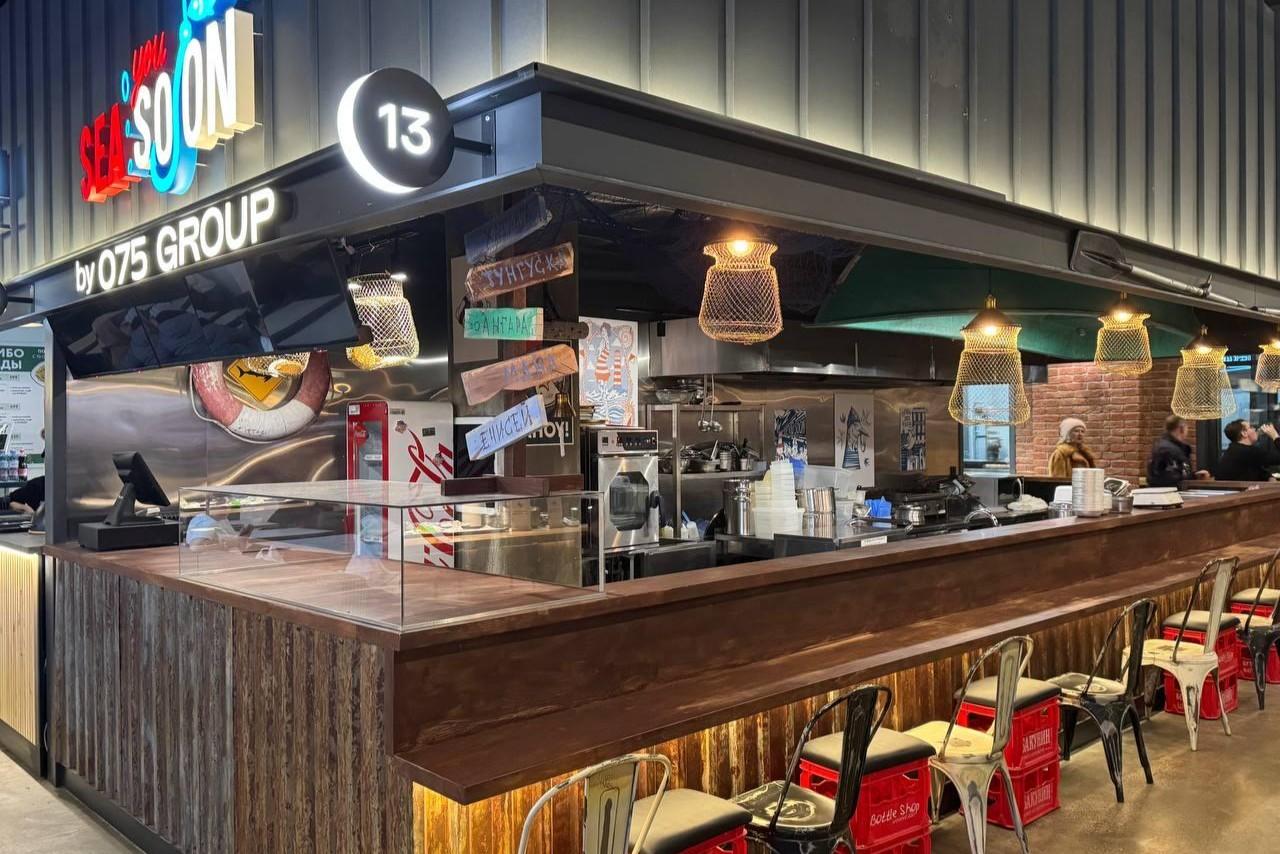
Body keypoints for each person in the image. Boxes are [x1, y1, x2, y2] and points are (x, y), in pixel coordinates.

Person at [1147, 415, 1210, 486]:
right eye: (1187, 428)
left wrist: (1194, 475)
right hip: (1170, 491)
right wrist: (1193, 476)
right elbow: (1171, 477)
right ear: (1181, 429)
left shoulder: (1162, 446)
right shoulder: (1169, 450)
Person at [1213, 420, 1280, 482]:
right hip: (1240, 490)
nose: (1254, 429)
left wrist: (1269, 477)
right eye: (1251, 427)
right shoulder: (1247, 452)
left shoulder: (1234, 450)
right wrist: (1275, 436)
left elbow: (1255, 469)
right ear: (1244, 433)